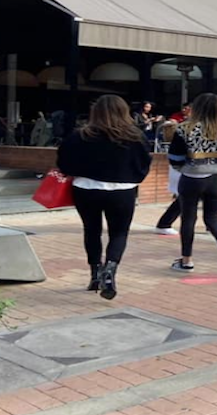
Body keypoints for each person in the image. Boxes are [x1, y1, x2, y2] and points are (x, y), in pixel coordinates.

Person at [57, 95, 152, 300]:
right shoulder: (135, 136)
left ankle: (94, 274)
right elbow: (144, 164)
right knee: (119, 233)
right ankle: (110, 268)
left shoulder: (79, 135)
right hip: (122, 189)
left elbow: (63, 164)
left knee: (92, 230)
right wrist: (132, 178)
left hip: (86, 188)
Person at [168, 93, 217, 276]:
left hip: (192, 177)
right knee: (213, 218)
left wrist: (183, 168)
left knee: (188, 218)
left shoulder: (185, 128)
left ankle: (187, 261)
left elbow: (175, 157)